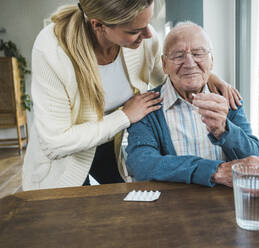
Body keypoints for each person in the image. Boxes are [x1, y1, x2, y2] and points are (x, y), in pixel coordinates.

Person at [22, 0, 241, 190]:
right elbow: (55, 143)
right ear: (98, 25)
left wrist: (207, 75)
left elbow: (168, 74)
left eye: (147, 24)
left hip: (110, 146)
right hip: (65, 158)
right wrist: (125, 116)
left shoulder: (146, 38)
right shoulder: (51, 50)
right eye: (134, 30)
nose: (147, 35)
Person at [126, 22, 259, 188]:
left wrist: (224, 130)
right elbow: (141, 164)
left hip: (226, 206)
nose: (190, 63)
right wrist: (214, 171)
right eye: (178, 55)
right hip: (171, 206)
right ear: (164, 64)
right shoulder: (146, 105)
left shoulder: (227, 98)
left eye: (198, 53)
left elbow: (256, 161)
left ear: (211, 61)